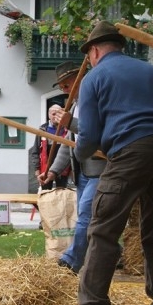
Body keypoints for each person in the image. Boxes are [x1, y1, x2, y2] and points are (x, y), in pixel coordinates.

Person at [74, 21, 153, 305]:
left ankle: (92, 303)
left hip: (132, 151)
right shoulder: (150, 71)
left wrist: (80, 154)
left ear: (93, 51)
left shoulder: (94, 78)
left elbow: (89, 137)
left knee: (103, 230)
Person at [44, 61, 106, 275]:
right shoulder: (74, 105)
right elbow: (68, 143)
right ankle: (97, 261)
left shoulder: (97, 102)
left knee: (87, 217)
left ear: (80, 79)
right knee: (87, 218)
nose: (63, 89)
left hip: (100, 169)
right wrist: (53, 170)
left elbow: (98, 135)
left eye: (66, 84)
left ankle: (70, 262)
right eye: (61, 86)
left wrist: (71, 123)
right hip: (82, 171)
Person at [29, 104, 70, 190]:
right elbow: (35, 151)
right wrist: (37, 170)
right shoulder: (43, 130)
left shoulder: (67, 130)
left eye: (58, 114)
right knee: (45, 192)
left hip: (63, 168)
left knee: (61, 192)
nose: (55, 117)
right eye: (53, 114)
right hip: (45, 168)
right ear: (49, 115)